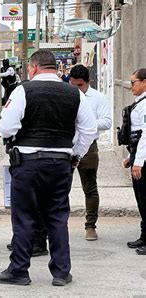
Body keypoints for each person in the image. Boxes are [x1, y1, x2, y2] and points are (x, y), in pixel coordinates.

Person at [0, 50, 96, 286]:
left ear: (34, 67)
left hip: (27, 164)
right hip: (60, 164)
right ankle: (61, 273)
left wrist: (3, 131)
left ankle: (19, 270)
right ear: (55, 68)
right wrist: (74, 156)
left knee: (24, 218)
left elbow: (7, 127)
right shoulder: (74, 93)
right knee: (58, 217)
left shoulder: (22, 90)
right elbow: (89, 131)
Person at [69, 64, 112, 240]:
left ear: (88, 82)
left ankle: (90, 225)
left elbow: (107, 122)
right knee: (60, 187)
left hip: (88, 146)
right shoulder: (66, 95)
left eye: (80, 86)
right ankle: (56, 225)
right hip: (67, 146)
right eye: (73, 85)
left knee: (90, 187)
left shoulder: (98, 98)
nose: (76, 89)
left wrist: (86, 122)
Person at [118, 68, 146, 255]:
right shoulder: (140, 103)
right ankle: (144, 236)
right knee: (141, 200)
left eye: (133, 82)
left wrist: (139, 162)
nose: (131, 87)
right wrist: (131, 158)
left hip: (144, 159)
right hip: (138, 154)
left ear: (144, 82)